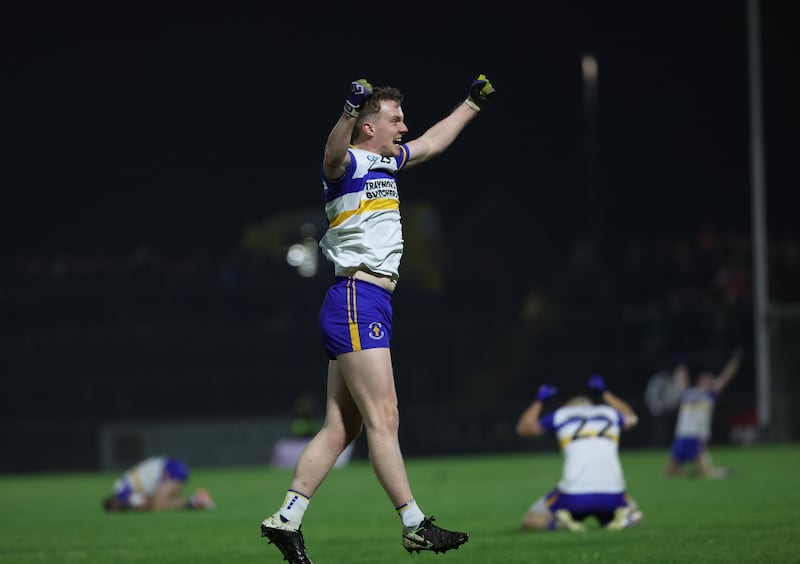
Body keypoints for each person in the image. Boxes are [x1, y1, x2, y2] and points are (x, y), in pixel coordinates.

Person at [259, 74, 496, 563]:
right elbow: (329, 155)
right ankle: (414, 524)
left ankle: (286, 517)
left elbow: (433, 141)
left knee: (340, 428)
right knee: (384, 417)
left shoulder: (388, 160)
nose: (405, 127)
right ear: (367, 128)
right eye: (395, 119)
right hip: (356, 297)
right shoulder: (346, 161)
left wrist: (471, 104)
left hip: (367, 301)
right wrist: (348, 109)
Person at [515, 375, 643, 532]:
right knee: (636, 515)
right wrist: (605, 392)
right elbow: (632, 418)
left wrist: (539, 400)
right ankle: (623, 521)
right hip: (613, 495)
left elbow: (524, 428)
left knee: (531, 520)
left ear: (569, 405)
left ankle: (560, 524)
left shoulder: (562, 415)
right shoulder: (609, 413)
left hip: (573, 496)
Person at [663, 349, 742, 479]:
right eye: (704, 378)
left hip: (696, 435)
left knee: (705, 470)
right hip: (682, 435)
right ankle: (693, 475)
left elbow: (725, 377)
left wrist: (735, 361)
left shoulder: (709, 394)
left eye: (709, 379)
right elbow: (681, 379)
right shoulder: (688, 393)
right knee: (669, 473)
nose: (707, 380)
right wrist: (681, 365)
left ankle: (725, 473)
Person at [102, 455, 215, 512]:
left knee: (159, 505)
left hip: (168, 470)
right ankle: (196, 501)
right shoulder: (123, 486)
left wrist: (140, 505)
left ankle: (198, 500)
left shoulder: (121, 491)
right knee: (160, 503)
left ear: (113, 502)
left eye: (115, 506)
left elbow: (143, 503)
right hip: (168, 469)